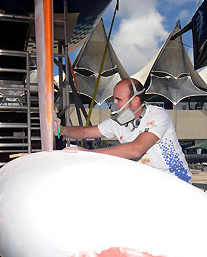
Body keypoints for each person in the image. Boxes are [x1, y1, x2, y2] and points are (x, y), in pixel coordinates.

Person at [54, 78, 192, 183]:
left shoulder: (157, 115)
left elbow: (136, 149)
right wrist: (62, 129)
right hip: (151, 181)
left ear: (135, 101)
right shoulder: (118, 123)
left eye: (118, 100)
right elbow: (85, 133)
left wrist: (88, 154)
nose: (114, 104)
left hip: (176, 181)